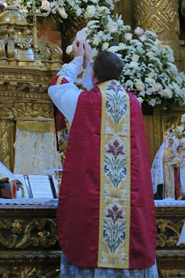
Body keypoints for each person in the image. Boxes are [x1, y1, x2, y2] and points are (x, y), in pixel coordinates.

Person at [48, 40, 158, 278]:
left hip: (93, 209)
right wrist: (91, 66)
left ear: (93, 74)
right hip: (129, 209)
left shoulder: (81, 101)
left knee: (89, 244)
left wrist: (78, 61)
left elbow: (57, 85)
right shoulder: (135, 103)